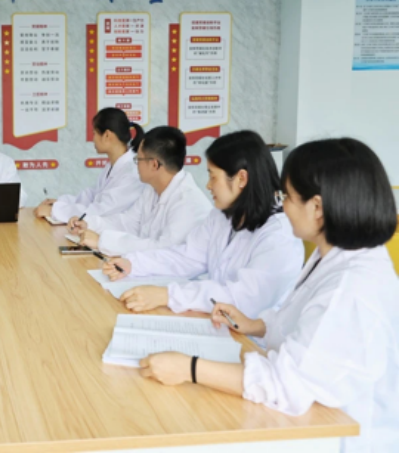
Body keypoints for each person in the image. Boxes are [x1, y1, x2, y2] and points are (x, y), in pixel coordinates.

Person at [137, 138, 399, 453]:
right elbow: (301, 321)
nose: (283, 205)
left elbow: (285, 384)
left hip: (339, 433)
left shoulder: (350, 287)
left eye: (287, 196)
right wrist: (255, 325)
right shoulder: (335, 256)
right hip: (311, 414)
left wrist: (189, 368)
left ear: (317, 207)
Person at [104, 130, 303, 317]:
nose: (208, 185)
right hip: (217, 321)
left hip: (252, 337)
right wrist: (133, 264)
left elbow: (243, 297)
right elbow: (187, 256)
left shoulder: (279, 235)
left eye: (213, 176)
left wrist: (167, 295)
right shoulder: (222, 216)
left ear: (241, 178)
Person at [73, 126, 212, 255]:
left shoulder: (188, 202)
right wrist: (90, 223)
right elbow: (129, 222)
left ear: (154, 165)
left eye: (138, 159)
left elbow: (163, 250)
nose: (136, 165)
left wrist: (102, 241)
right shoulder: (152, 189)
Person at [36, 107, 144, 225]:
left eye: (94, 133)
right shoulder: (113, 165)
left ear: (107, 135)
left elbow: (101, 211)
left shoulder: (133, 172)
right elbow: (93, 197)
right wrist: (62, 203)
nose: (93, 139)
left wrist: (55, 211)